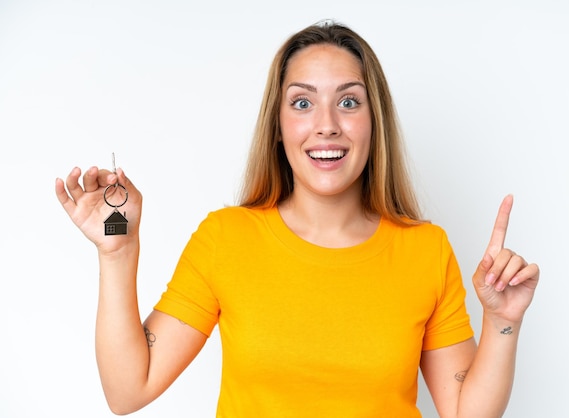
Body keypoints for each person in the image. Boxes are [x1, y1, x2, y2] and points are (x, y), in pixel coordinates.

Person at [55, 20, 539, 418]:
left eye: (349, 101)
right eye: (302, 103)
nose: (326, 123)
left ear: (375, 122)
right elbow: (127, 391)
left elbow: (465, 413)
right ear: (279, 127)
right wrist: (117, 249)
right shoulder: (226, 239)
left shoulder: (425, 249)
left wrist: (501, 320)